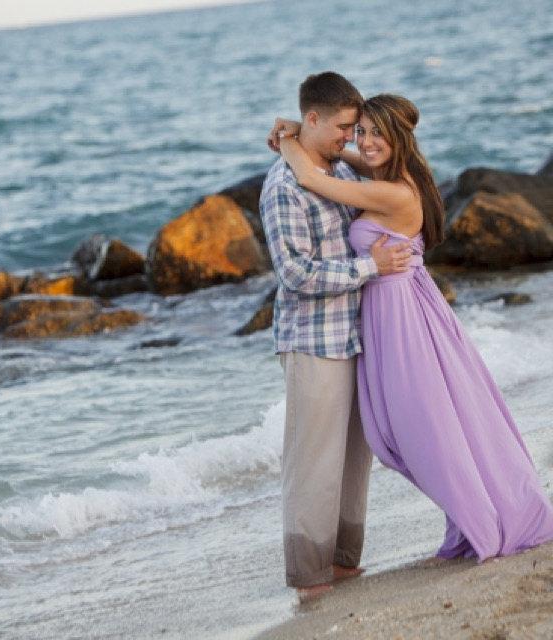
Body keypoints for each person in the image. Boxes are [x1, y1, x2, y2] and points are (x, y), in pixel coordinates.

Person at [269, 93, 553, 569]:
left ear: (400, 137)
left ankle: (488, 518)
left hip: (401, 319)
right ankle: (474, 513)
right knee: (417, 425)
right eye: (361, 131)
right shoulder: (383, 174)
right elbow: (335, 157)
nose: (366, 141)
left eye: (378, 133)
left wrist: (286, 137)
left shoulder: (396, 192)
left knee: (422, 427)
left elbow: (311, 177)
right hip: (387, 314)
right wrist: (299, 132)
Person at [259, 72, 412, 602]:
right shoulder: (283, 187)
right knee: (314, 463)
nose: (351, 137)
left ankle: (344, 564)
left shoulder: (334, 167)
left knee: (353, 459)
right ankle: (309, 578)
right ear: (314, 118)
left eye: (355, 127)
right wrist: (367, 267)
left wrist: (285, 136)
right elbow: (296, 273)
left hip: (356, 337)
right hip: (313, 342)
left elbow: (384, 162)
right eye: (344, 127)